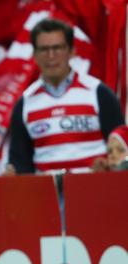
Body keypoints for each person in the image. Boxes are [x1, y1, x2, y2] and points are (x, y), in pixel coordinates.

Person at [8, 18, 125, 174]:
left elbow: (123, 150)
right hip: (47, 195)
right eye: (44, 49)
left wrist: (108, 167)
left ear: (72, 51)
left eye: (57, 48)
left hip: (96, 193)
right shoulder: (25, 104)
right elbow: (20, 165)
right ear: (35, 55)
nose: (51, 56)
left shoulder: (99, 94)